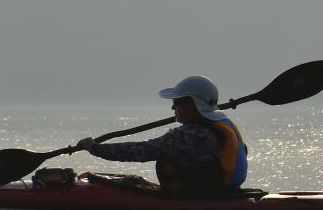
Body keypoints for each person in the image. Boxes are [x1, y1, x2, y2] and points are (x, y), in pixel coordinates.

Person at [75, 75, 248, 195]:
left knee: (166, 162)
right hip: (223, 189)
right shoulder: (225, 125)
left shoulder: (189, 135)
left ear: (191, 104)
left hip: (204, 195)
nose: (173, 108)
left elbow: (141, 151)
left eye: (176, 102)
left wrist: (95, 148)